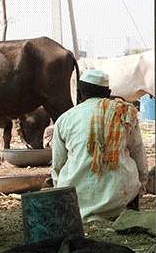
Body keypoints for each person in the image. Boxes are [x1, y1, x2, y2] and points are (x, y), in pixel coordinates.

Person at [50, 67, 147, 226]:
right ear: (108, 94)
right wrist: (139, 191)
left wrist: (63, 200)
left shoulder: (65, 119)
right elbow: (139, 156)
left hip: (77, 204)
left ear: (80, 93)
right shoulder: (124, 113)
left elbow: (57, 167)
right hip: (119, 203)